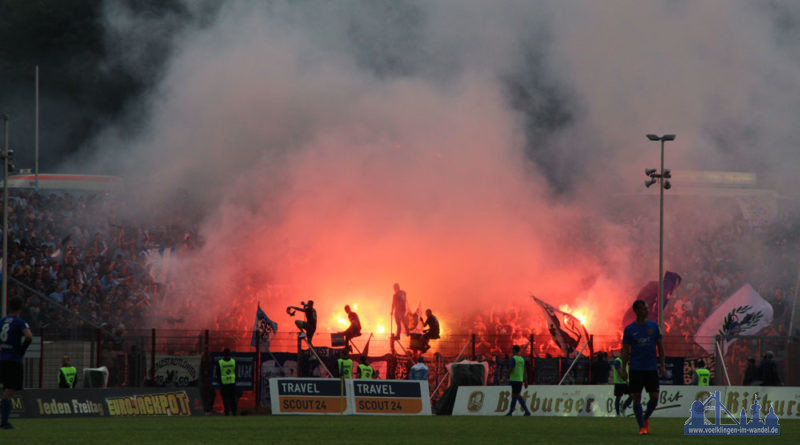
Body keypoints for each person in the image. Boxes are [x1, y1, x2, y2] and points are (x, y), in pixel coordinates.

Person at [620, 299, 665, 435]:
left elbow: (661, 347)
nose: (647, 310)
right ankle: (641, 427)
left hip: (651, 368)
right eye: (644, 308)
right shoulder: (629, 329)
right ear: (637, 311)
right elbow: (625, 350)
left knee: (655, 397)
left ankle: (645, 418)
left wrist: (662, 365)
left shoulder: (654, 326)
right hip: (636, 368)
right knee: (636, 397)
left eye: (647, 307)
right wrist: (623, 368)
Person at [0, 297, 33, 429]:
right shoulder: (20, 322)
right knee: (9, 391)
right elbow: (29, 336)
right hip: (13, 360)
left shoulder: (2, 320)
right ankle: (4, 422)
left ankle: (4, 421)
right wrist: (22, 350)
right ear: (20, 308)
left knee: (6, 389)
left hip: (2, 359)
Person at [505, 345, 531, 416]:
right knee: (514, 396)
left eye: (512, 349)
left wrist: (505, 377)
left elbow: (511, 369)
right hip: (520, 379)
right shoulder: (522, 359)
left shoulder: (513, 359)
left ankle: (526, 411)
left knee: (517, 395)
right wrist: (526, 380)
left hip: (514, 379)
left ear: (514, 350)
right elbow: (525, 371)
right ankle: (510, 412)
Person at [216, 348, 237, 415]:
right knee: (232, 398)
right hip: (232, 382)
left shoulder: (220, 362)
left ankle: (227, 411)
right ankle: (234, 411)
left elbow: (217, 373)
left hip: (224, 383)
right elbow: (236, 371)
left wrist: (220, 381)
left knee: (225, 399)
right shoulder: (233, 362)